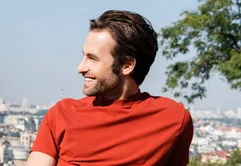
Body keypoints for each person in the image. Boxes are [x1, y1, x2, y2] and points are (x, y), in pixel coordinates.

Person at [26, 10, 194, 166]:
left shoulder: (173, 119)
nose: (80, 67)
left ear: (127, 65)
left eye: (93, 58)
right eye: (84, 56)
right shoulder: (61, 115)